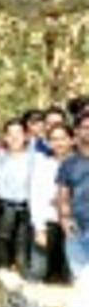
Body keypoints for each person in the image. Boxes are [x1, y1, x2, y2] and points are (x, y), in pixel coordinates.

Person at [29, 123, 73, 283]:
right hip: (49, 222)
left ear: (72, 140)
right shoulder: (43, 165)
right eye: (54, 139)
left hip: (75, 224)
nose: (59, 143)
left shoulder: (82, 163)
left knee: (74, 274)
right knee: (38, 271)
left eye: (63, 138)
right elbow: (35, 197)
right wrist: (39, 228)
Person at [0, 120, 32, 272]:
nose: (14, 137)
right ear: (5, 137)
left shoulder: (34, 159)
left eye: (18, 133)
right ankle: (3, 273)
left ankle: (22, 274)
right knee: (2, 242)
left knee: (22, 246)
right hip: (3, 206)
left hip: (26, 207)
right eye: (10, 134)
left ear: (26, 136)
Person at [57, 111, 89, 283]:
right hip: (76, 228)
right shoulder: (69, 163)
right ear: (76, 131)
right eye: (85, 127)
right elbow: (63, 195)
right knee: (81, 281)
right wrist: (65, 219)